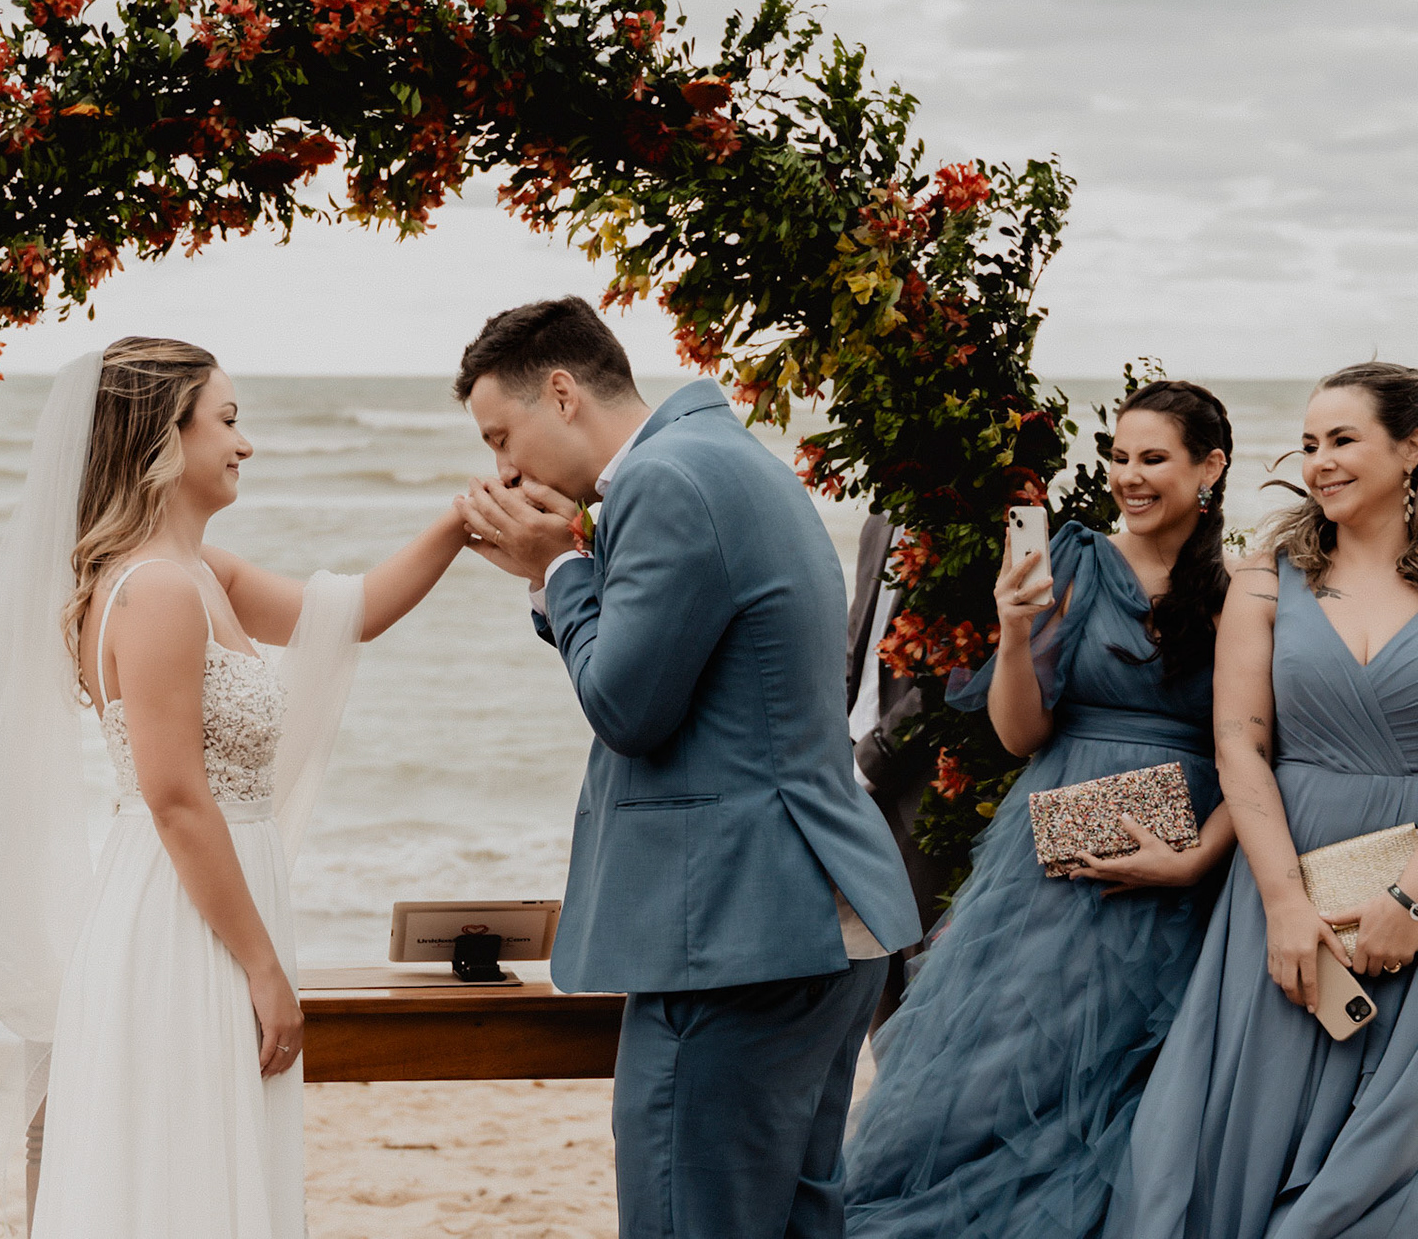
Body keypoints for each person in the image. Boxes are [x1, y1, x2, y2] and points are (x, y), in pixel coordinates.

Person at [0, 338, 471, 1239]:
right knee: (186, 1175)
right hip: (185, 918)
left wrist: (460, 521)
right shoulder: (157, 592)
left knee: (210, 1167)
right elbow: (174, 797)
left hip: (213, 899)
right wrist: (264, 967)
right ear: (164, 438)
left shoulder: (206, 574)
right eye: (228, 420)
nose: (245, 443)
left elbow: (353, 613)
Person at [454, 295, 921, 1238]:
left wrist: (556, 572)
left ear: (562, 393)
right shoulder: (724, 457)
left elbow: (628, 707)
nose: (502, 469)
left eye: (503, 436)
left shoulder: (664, 479)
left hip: (740, 929)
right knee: (794, 1216)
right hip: (816, 917)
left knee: (684, 1214)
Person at [843, 380, 1241, 1239]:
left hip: (1186, 871)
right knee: (1003, 1069)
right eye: (1119, 457)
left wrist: (1198, 859)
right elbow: (1020, 735)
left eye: (1154, 458)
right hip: (1057, 868)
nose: (1129, 477)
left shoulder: (1240, 593)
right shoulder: (1076, 562)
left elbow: (1258, 755)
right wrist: (1015, 629)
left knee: (1136, 1083)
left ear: (1209, 467)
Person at [1111, 362, 1418, 1239]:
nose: (1320, 461)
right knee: (1242, 1134)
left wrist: (1408, 898)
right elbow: (1241, 747)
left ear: (1411, 449)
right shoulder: (1266, 578)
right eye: (1310, 443)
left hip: (1411, 875)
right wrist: (1283, 906)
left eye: (1344, 439)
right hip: (1285, 878)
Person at [846, 511, 968, 1030]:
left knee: (929, 993)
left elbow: (954, 673)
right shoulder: (879, 522)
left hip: (924, 793)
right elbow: (855, 644)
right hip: (852, 783)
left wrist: (868, 761)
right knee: (872, 982)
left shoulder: (968, 522)